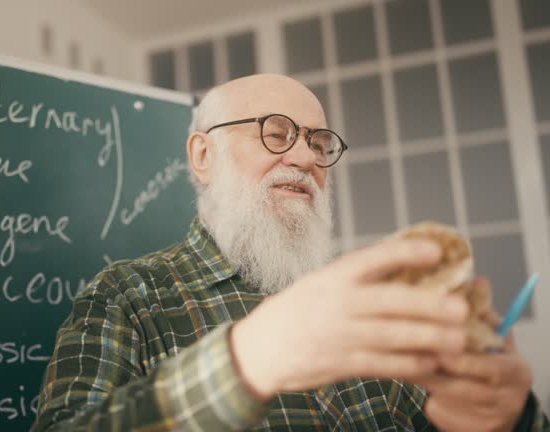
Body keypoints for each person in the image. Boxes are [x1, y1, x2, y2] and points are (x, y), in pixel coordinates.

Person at [33, 74, 549, 431]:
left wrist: (508, 417)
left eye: (319, 141)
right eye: (275, 133)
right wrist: (249, 360)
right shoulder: (128, 297)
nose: (305, 158)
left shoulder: (373, 298)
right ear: (204, 155)